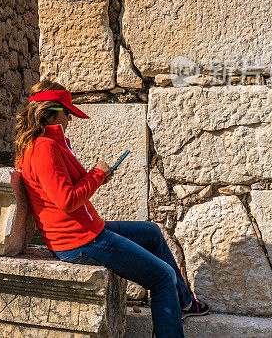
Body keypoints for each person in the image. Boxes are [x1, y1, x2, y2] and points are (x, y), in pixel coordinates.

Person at [15, 80, 208, 338]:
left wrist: (97, 177)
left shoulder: (47, 143)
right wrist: (96, 174)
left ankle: (183, 303)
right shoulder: (44, 148)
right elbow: (66, 200)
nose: (70, 119)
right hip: (78, 242)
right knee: (162, 278)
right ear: (52, 112)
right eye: (68, 113)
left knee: (151, 233)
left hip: (86, 231)